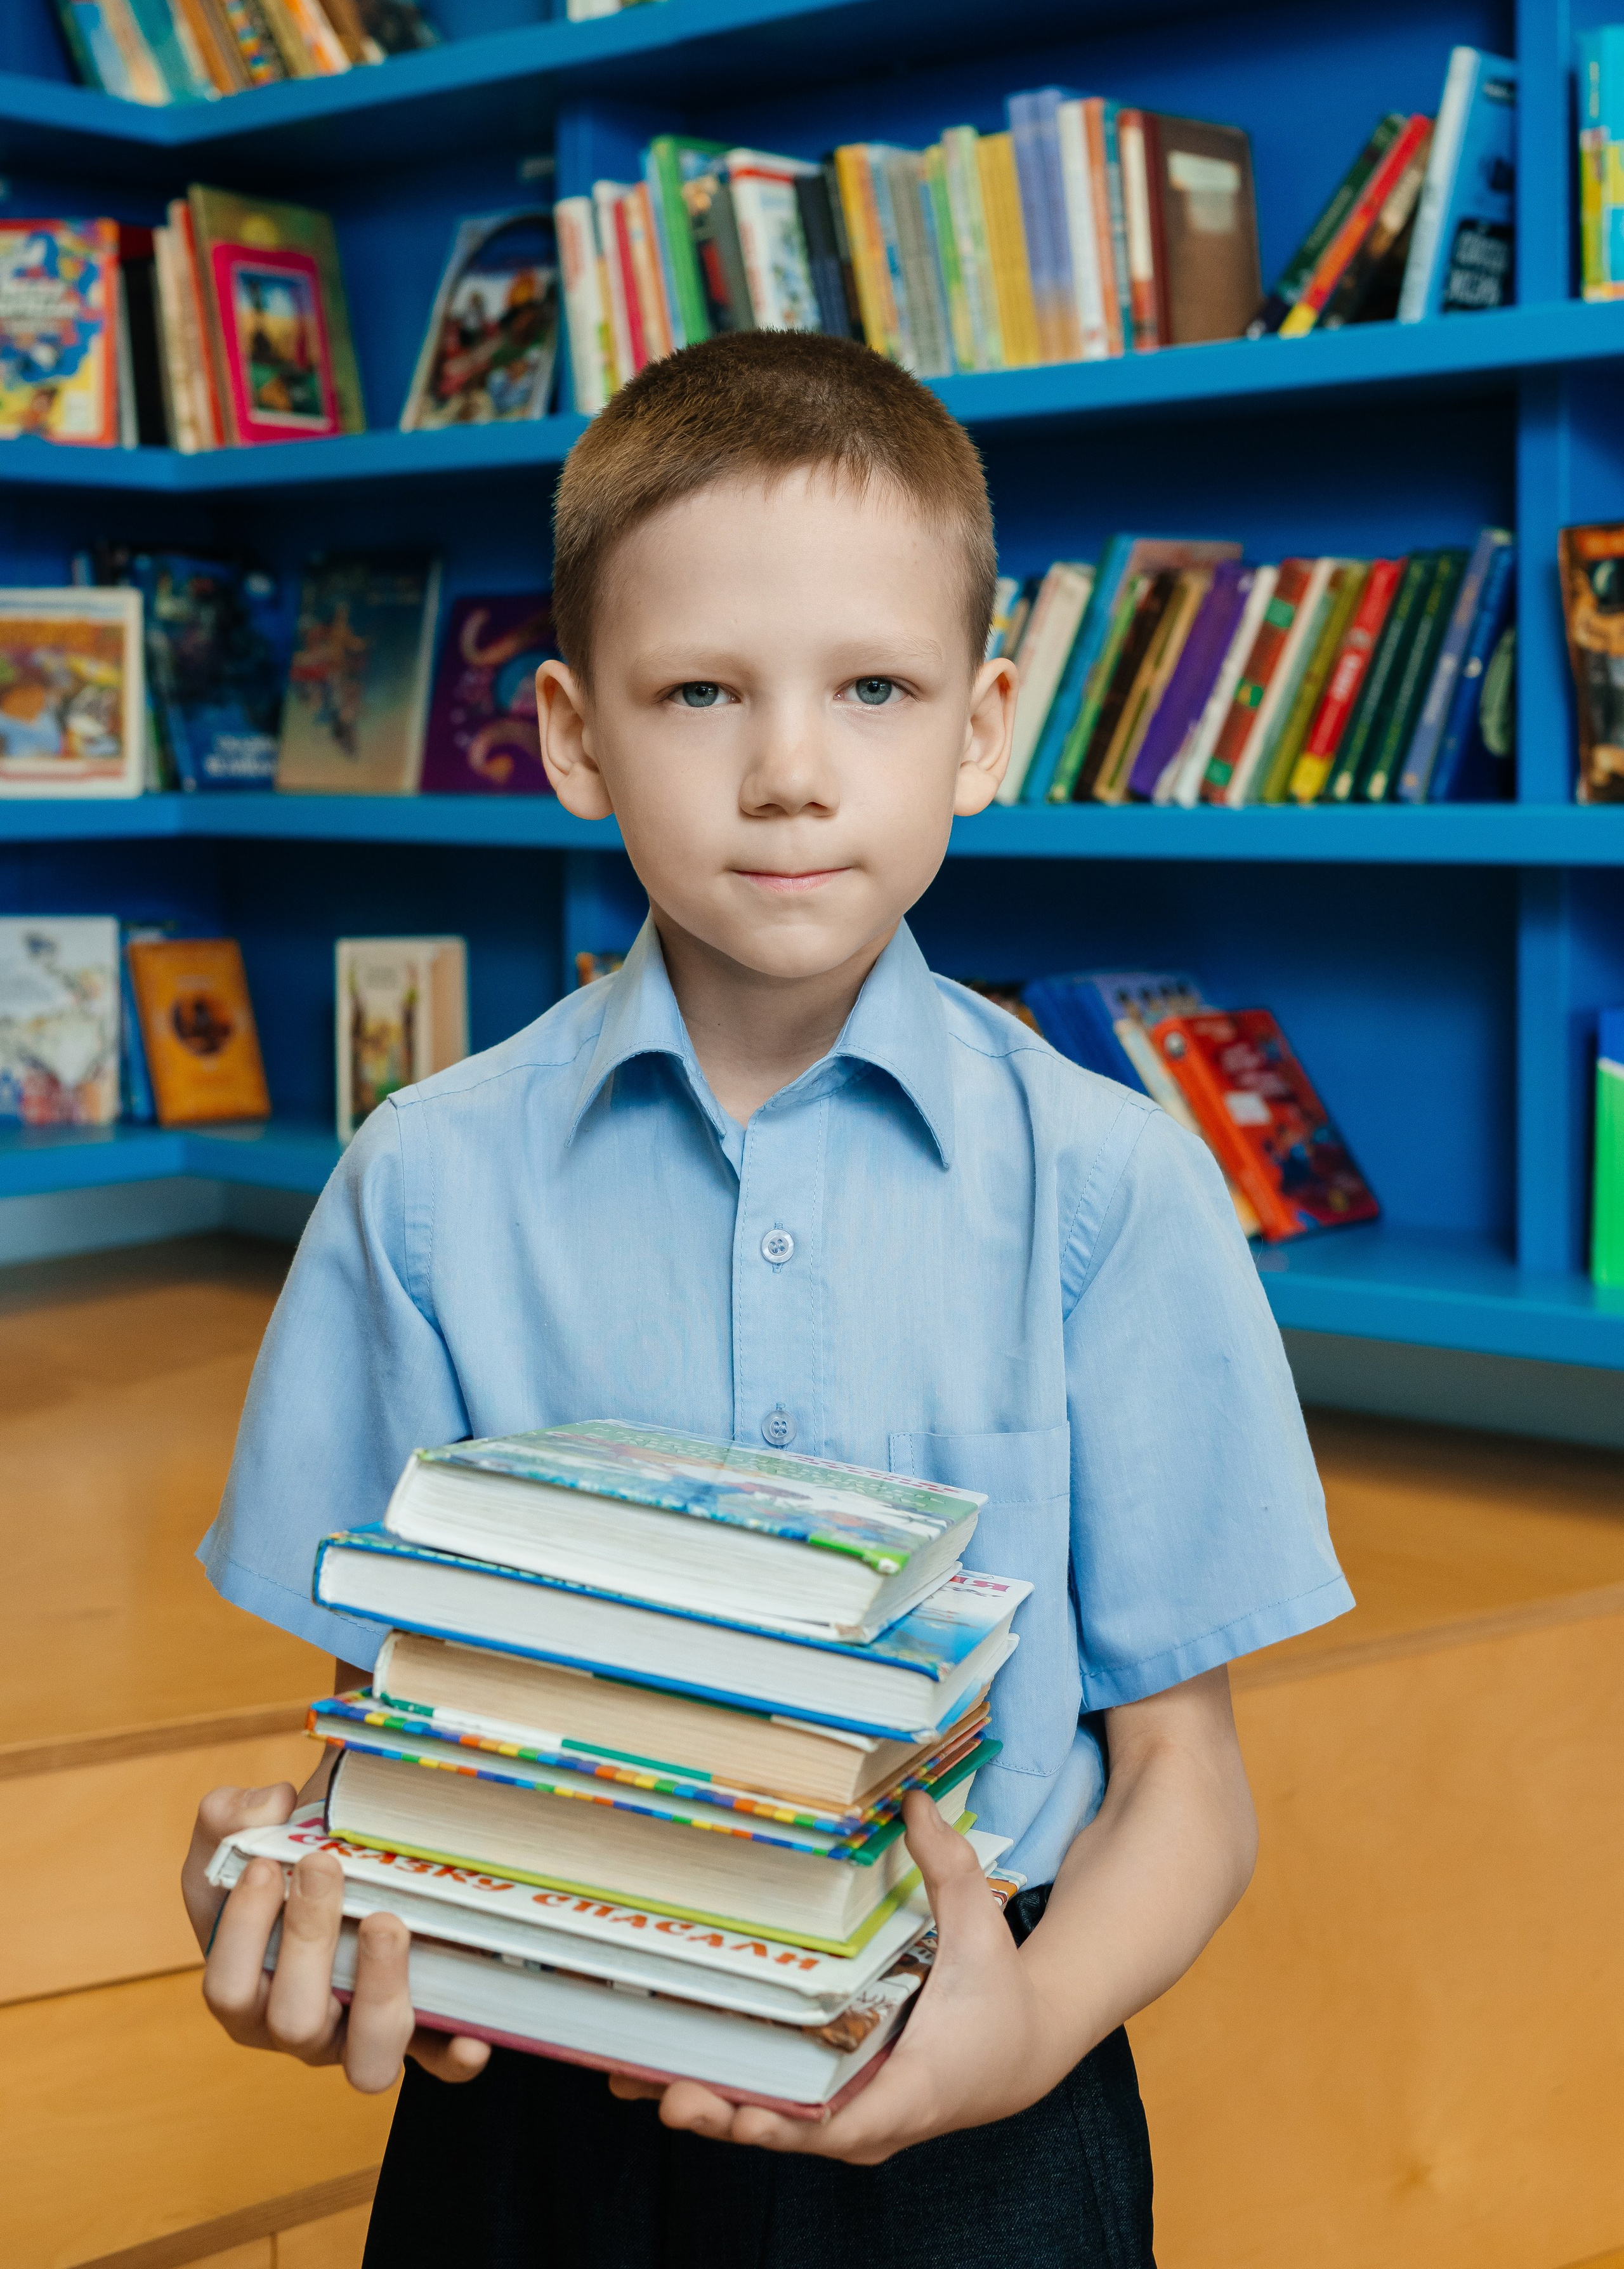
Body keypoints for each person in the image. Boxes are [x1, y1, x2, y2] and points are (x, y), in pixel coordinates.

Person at [182, 329, 1351, 2268]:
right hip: (535, 2090)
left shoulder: (1117, 1185)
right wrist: (265, 1897)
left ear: (981, 729)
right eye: (703, 690)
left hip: (981, 2080)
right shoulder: (423, 1184)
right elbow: (364, 1753)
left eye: (874, 689)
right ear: (573, 736)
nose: (793, 770)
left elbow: (1187, 1785)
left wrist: (1031, 2030)